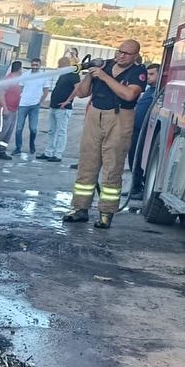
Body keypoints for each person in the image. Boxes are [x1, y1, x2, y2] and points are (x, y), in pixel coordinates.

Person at [63, 41, 148, 228]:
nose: (121, 55)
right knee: (87, 163)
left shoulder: (138, 73)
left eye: (127, 53)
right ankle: (79, 209)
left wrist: (103, 76)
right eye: (120, 51)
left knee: (113, 166)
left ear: (135, 56)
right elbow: (83, 93)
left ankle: (106, 213)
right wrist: (89, 75)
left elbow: (129, 95)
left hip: (120, 117)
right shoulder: (105, 65)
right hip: (95, 114)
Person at [128, 63, 161, 196]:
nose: (148, 77)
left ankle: (142, 187)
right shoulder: (148, 90)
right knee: (133, 158)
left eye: (152, 74)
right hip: (136, 131)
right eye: (147, 74)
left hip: (146, 132)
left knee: (142, 160)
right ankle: (135, 187)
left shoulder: (159, 92)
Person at [39, 56, 79, 162]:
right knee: (51, 131)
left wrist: (68, 101)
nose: (58, 67)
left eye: (60, 66)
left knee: (61, 131)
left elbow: (77, 88)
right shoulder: (63, 75)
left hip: (64, 108)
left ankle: (58, 154)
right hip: (54, 106)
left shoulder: (73, 75)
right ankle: (48, 152)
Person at [0, 60, 22, 160]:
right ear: (19, 69)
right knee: (2, 131)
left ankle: (1, 151)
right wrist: (4, 108)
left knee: (8, 132)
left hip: (14, 110)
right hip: (6, 109)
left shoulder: (16, 80)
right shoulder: (9, 79)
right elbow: (1, 94)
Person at [13, 58, 49, 157]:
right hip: (23, 104)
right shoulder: (25, 75)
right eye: (33, 65)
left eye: (36, 65)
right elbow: (20, 88)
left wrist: (40, 102)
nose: (34, 67)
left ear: (40, 65)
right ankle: (18, 148)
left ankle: (32, 145)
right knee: (19, 128)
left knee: (33, 128)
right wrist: (20, 98)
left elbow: (46, 90)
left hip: (34, 105)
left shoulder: (43, 76)